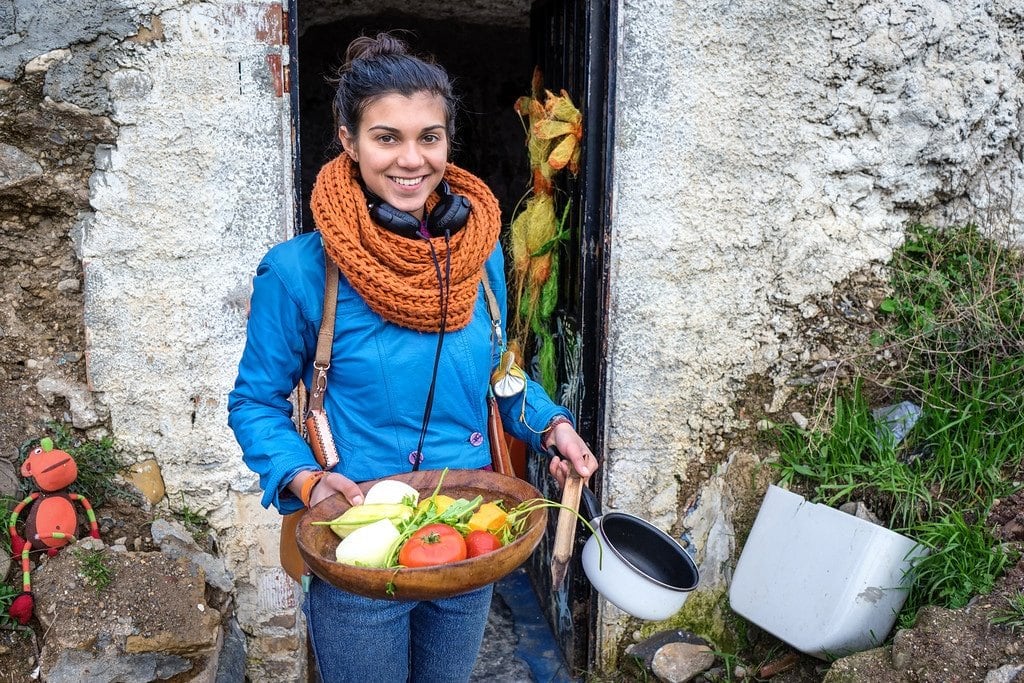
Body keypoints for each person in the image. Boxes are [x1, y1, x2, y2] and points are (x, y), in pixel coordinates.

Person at [228, 32, 596, 682]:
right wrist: (308, 483)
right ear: (348, 140)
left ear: (448, 141)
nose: (411, 159)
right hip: (359, 536)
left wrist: (552, 424)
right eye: (386, 137)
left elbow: (498, 375)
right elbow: (254, 403)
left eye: (429, 137)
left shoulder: (481, 256)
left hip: (466, 526)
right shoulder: (297, 272)